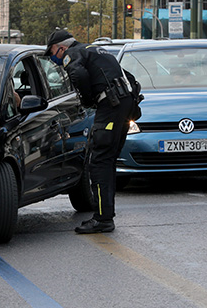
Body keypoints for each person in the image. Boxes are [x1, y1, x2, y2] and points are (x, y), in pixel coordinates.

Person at [46, 29, 140, 234]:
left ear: (61, 47)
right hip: (123, 105)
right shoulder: (97, 50)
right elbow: (130, 78)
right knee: (107, 161)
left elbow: (78, 74)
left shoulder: (73, 54)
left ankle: (103, 219)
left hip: (111, 108)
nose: (53, 58)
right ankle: (105, 215)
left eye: (52, 52)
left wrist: (88, 100)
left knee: (99, 161)